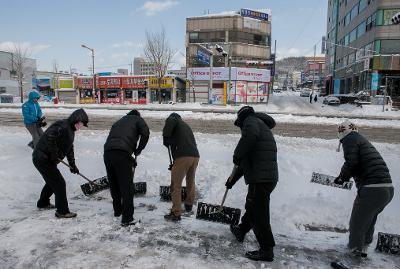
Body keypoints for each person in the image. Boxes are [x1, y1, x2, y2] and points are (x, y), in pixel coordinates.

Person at [226, 106, 279, 262]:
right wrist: (231, 181)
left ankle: (266, 250)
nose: (241, 128)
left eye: (240, 124)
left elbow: (249, 139)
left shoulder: (251, 122)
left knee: (259, 214)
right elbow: (244, 164)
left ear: (242, 118)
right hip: (265, 177)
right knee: (253, 206)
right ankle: (241, 230)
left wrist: (237, 154)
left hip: (261, 178)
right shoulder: (259, 126)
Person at [334, 120, 394, 257]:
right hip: (387, 190)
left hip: (372, 189)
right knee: (368, 221)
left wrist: (342, 178)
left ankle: (354, 255)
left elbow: (351, 162)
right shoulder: (360, 139)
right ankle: (364, 247)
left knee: (357, 223)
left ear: (341, 132)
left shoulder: (349, 139)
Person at [33, 108, 89, 218]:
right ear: (76, 119)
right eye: (81, 123)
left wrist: (72, 165)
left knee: (52, 181)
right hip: (42, 158)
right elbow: (50, 137)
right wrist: (54, 153)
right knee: (59, 183)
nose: (81, 126)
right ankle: (62, 211)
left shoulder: (70, 130)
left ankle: (43, 203)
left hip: (46, 159)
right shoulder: (62, 125)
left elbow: (69, 149)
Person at [103, 109, 150, 226]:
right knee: (127, 186)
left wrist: (130, 159)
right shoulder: (138, 120)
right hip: (122, 152)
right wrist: (139, 149)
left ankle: (118, 211)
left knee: (114, 183)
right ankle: (127, 218)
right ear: (137, 115)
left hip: (108, 153)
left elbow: (118, 140)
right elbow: (146, 133)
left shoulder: (119, 121)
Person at [162, 113, 200, 221]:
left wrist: (165, 137)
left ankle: (176, 213)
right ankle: (189, 204)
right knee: (190, 180)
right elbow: (180, 142)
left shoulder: (173, 120)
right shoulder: (185, 126)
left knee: (175, 184)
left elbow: (170, 121)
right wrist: (175, 162)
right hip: (195, 156)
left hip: (183, 156)